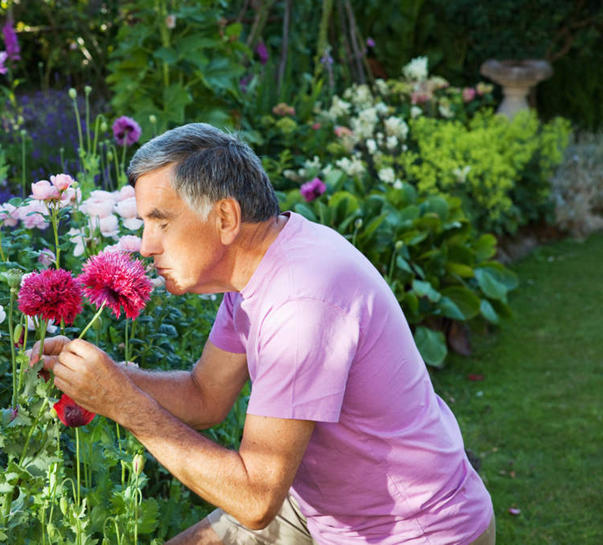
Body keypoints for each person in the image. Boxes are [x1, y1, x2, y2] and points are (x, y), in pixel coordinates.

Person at [32, 123, 495, 544]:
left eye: (162, 221)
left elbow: (255, 500)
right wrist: (107, 379)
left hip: (412, 532)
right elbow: (204, 396)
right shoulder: (258, 267)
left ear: (226, 218)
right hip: (320, 508)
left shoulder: (301, 302)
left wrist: (123, 403)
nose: (146, 245)